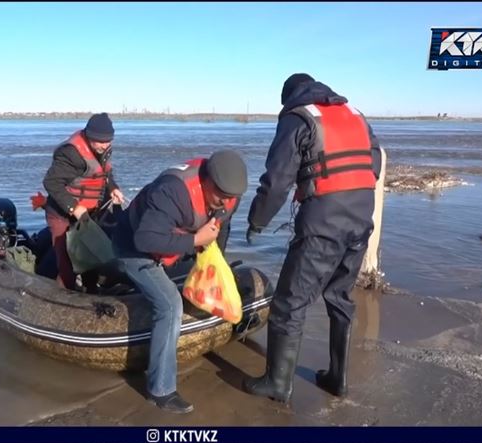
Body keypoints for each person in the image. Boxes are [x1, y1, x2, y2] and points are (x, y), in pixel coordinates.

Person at [243, 73, 382, 402]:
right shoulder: (355, 115)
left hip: (323, 223)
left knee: (289, 303)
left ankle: (277, 384)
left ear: (290, 96)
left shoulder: (299, 118)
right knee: (339, 296)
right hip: (362, 217)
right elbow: (373, 163)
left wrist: (257, 221)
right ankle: (338, 378)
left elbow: (277, 181)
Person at [112, 150, 248, 413]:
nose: (225, 202)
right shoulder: (172, 192)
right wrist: (196, 241)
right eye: (221, 195)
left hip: (174, 245)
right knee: (171, 305)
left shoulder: (229, 196)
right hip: (133, 248)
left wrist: (216, 265)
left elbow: (221, 229)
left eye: (231, 198)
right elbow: (145, 240)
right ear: (206, 180)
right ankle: (160, 391)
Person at [43, 113, 125, 290]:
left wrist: (113, 188)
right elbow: (51, 182)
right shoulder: (71, 154)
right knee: (67, 266)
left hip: (87, 215)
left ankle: (91, 295)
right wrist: (74, 208)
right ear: (88, 136)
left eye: (108, 141)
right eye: (100, 141)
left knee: (91, 261)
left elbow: (105, 173)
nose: (104, 145)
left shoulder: (103, 149)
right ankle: (61, 302)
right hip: (61, 214)